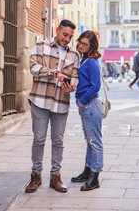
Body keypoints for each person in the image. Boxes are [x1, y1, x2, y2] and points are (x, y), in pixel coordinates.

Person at [26, 20, 79, 193]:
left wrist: (71, 86)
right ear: (57, 30)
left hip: (61, 102)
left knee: (58, 141)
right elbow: (33, 67)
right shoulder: (41, 46)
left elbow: (75, 78)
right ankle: (36, 175)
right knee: (39, 139)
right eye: (65, 34)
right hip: (40, 100)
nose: (67, 39)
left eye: (70, 36)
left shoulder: (74, 55)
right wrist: (55, 73)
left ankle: (55, 177)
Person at [70, 30, 104, 191]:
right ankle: (87, 171)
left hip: (91, 104)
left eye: (84, 44)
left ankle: (95, 177)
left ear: (92, 46)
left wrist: (82, 101)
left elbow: (95, 85)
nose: (80, 46)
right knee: (89, 140)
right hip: (85, 105)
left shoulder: (92, 62)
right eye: (80, 42)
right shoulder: (84, 59)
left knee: (95, 142)